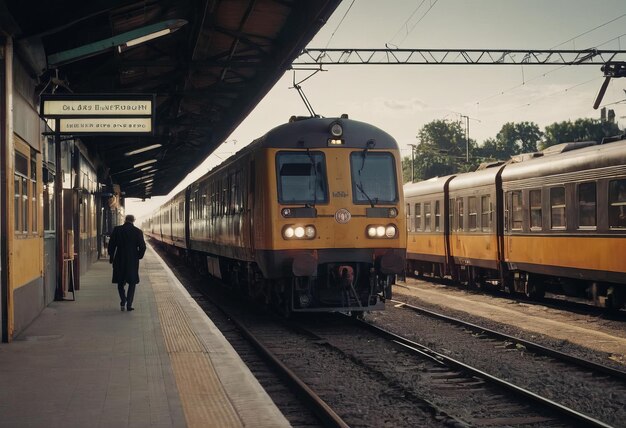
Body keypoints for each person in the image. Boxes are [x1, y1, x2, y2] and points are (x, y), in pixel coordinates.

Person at [108, 214, 146, 311]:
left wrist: (111, 256)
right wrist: (138, 256)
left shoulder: (117, 230)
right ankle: (129, 304)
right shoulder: (138, 231)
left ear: (125, 220)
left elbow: (111, 245)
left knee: (120, 282)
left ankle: (123, 300)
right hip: (132, 260)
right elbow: (142, 247)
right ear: (133, 220)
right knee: (132, 282)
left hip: (119, 259)